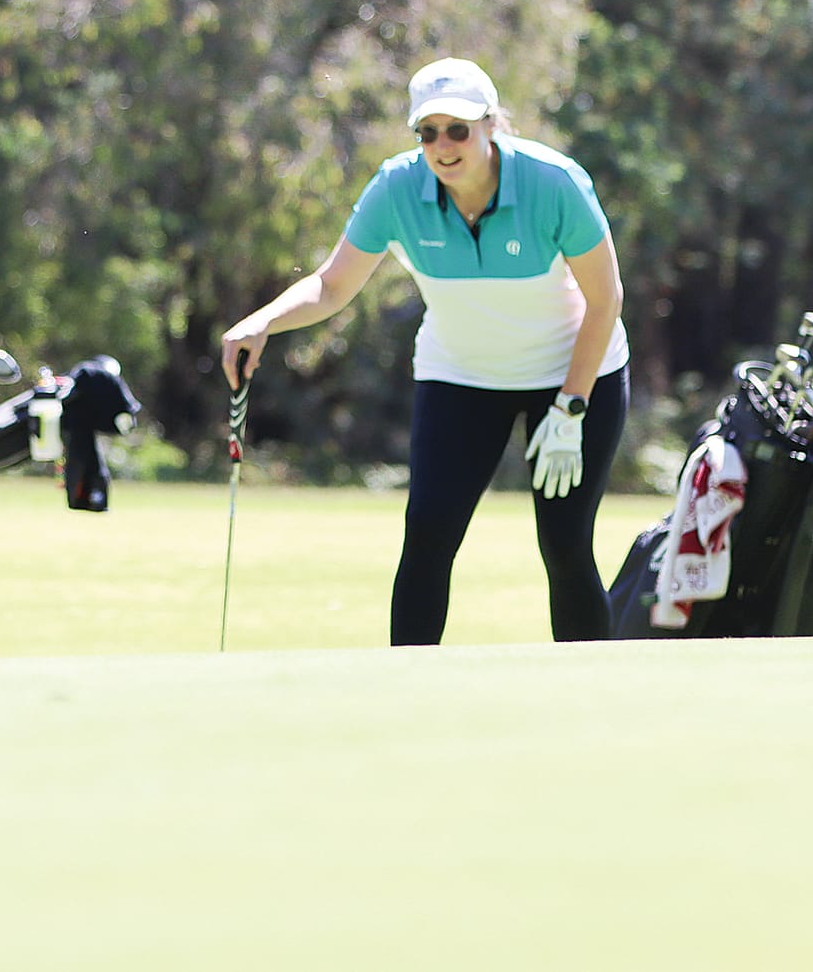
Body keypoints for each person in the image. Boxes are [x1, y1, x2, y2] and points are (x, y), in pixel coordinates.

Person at [219, 58, 628, 644]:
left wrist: (571, 405)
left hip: (571, 375)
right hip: (460, 375)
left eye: (457, 129)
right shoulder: (397, 187)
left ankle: (591, 692)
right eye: (428, 132)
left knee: (564, 545)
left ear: (491, 126)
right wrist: (261, 322)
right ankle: (405, 687)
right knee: (429, 534)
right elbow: (333, 286)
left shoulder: (553, 182)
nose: (442, 145)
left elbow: (605, 297)